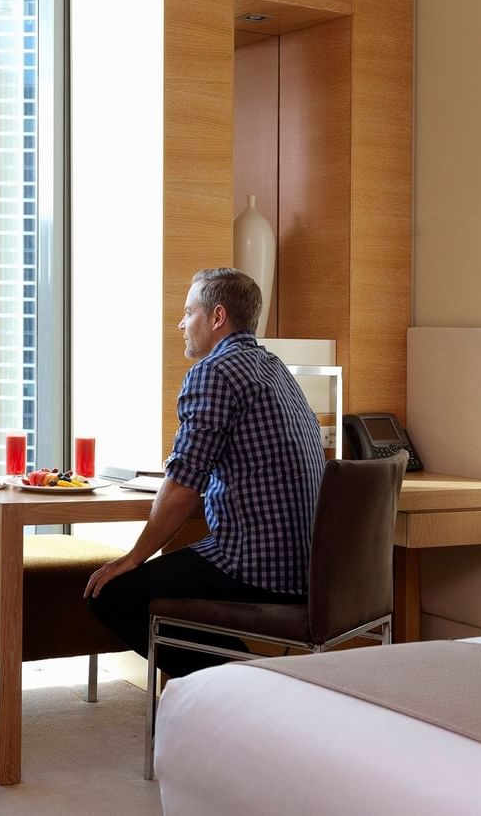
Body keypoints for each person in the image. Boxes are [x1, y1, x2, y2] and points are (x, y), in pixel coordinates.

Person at [85, 267, 325, 676]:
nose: (181, 323)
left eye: (188, 311)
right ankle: (243, 677)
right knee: (170, 580)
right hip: (311, 566)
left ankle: (240, 685)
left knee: (111, 593)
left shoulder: (214, 372)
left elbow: (183, 485)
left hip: (255, 564)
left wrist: (132, 558)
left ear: (216, 317)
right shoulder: (275, 368)